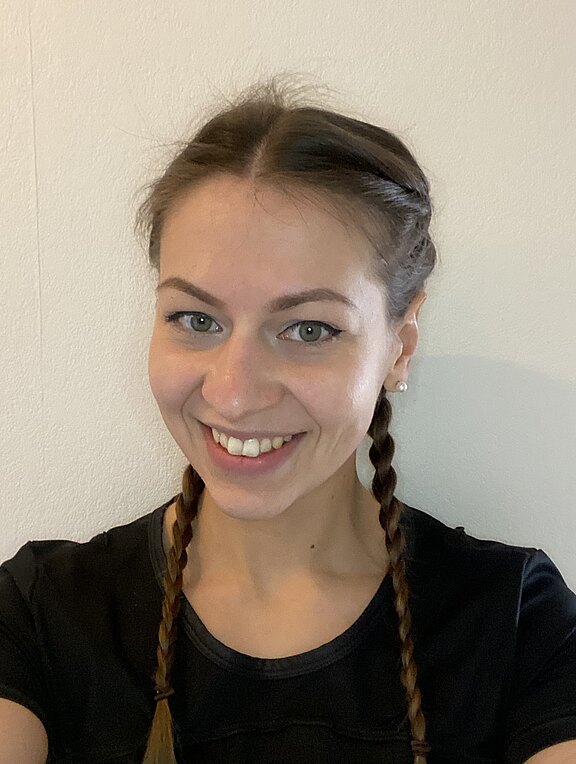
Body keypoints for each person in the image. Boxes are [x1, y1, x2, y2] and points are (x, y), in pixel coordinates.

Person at [1, 78, 576, 764]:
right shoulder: (39, 615)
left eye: (309, 329)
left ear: (400, 345)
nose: (235, 394)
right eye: (197, 320)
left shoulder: (516, 626)